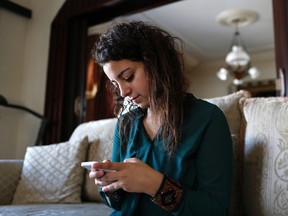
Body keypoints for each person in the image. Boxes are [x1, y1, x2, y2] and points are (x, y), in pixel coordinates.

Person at [89, 21, 232, 216]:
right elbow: (118, 205)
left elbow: (215, 210)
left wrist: (154, 184)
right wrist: (110, 184)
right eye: (115, 83)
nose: (123, 92)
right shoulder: (126, 124)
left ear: (155, 64)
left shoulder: (208, 119)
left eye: (128, 76)